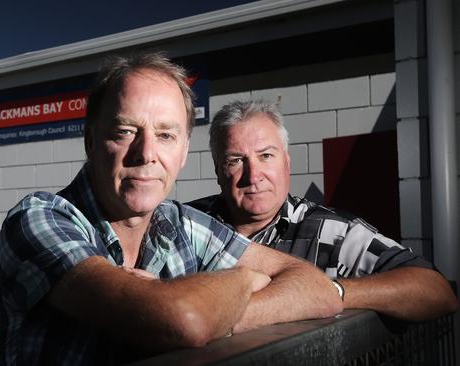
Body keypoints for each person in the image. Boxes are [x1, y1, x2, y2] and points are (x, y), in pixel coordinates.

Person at [0, 55, 343, 365]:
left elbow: (319, 290)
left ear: (185, 151)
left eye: (166, 135)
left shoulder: (180, 224)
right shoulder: (38, 219)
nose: (146, 153)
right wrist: (243, 279)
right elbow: (183, 320)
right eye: (125, 131)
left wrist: (218, 311)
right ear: (91, 140)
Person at [188, 99, 458, 325]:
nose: (254, 175)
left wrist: (330, 292)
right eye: (236, 160)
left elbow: (435, 290)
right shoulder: (187, 225)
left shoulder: (332, 233)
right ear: (218, 170)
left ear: (287, 162)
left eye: (266, 156)